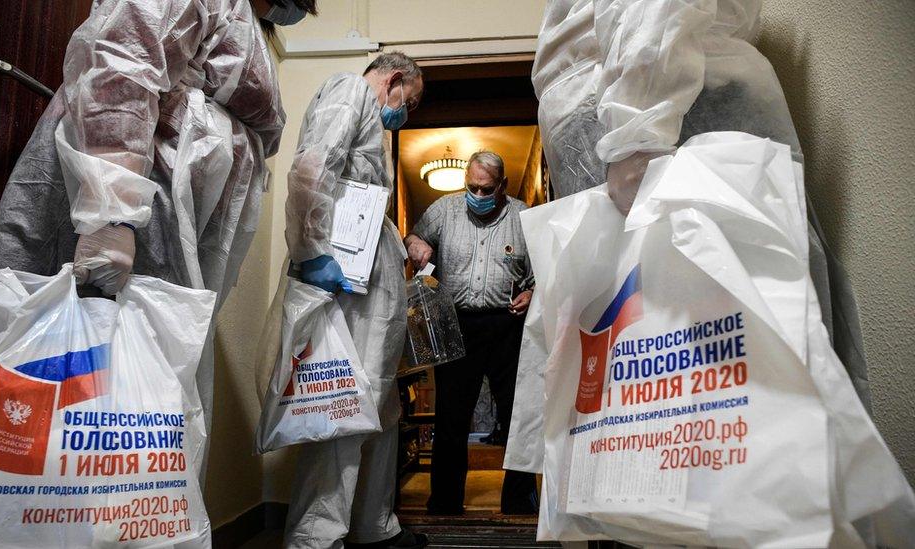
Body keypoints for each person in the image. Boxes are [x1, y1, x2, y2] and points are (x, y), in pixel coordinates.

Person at [0, 0, 316, 461]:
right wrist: (111, 213)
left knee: (132, 398)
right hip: (133, 203)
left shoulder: (243, 17)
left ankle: (125, 519)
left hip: (168, 222)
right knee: (66, 377)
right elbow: (125, 56)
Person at [530, 0, 869, 404]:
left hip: (657, 99)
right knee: (660, 354)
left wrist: (636, 133)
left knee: (713, 347)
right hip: (639, 94)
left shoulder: (639, 109)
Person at [282, 52, 428, 549]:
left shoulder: (374, 122)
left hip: (372, 283)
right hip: (346, 281)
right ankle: (316, 536)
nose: (406, 112)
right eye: (410, 100)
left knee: (380, 405)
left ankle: (373, 524)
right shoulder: (351, 90)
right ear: (395, 79)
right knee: (344, 399)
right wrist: (309, 250)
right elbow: (311, 168)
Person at [405, 151, 539, 516]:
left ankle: (519, 502)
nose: (477, 196)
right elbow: (412, 236)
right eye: (472, 188)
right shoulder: (444, 209)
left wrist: (532, 292)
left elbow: (546, 269)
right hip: (457, 322)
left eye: (486, 189)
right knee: (451, 416)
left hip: (507, 324)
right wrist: (417, 245)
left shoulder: (525, 216)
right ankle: (445, 503)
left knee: (516, 414)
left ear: (503, 186)